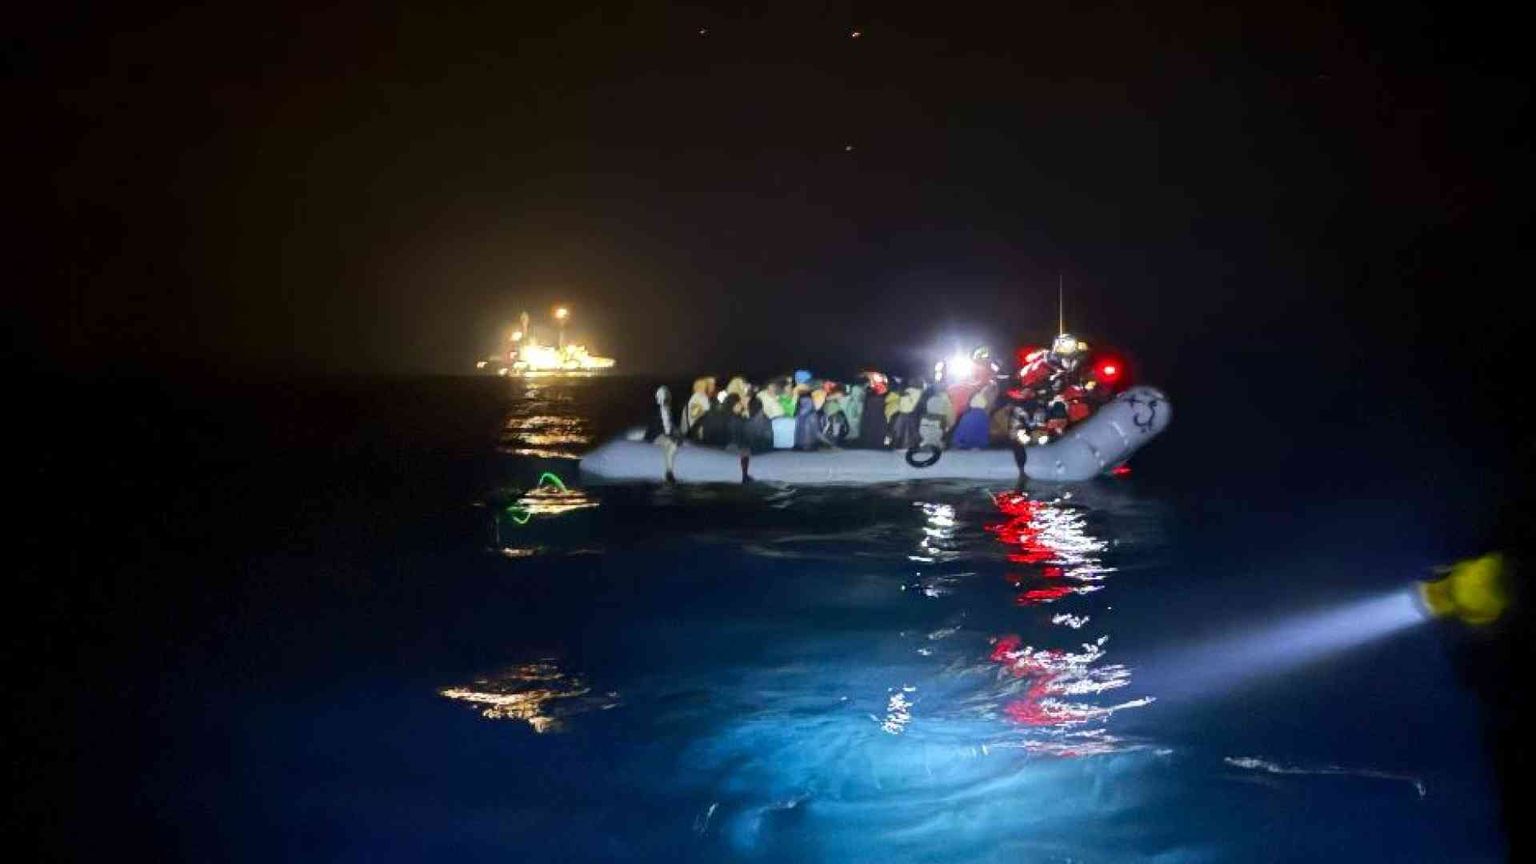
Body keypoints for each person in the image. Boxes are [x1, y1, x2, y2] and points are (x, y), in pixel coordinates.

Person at [644, 385, 682, 483]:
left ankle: (668, 472)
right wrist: (666, 435)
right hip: (655, 435)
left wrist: (676, 434)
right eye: (659, 395)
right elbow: (653, 427)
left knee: (672, 446)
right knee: (670, 443)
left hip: (666, 436)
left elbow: (671, 426)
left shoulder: (669, 411)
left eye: (663, 395)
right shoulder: (654, 411)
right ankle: (669, 473)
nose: (660, 397)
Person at [951, 382, 995, 449]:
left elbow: (957, 437)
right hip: (979, 448)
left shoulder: (966, 416)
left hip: (964, 447)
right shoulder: (985, 417)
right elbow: (985, 436)